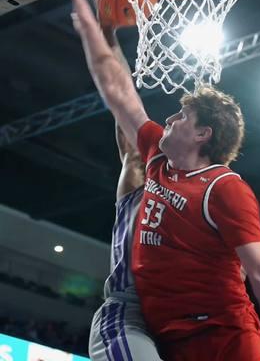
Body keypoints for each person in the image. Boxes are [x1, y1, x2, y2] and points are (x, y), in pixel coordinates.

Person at [71, 0, 260, 361]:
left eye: (180, 116)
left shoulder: (221, 188)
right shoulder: (149, 162)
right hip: (137, 311)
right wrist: (103, 33)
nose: (169, 119)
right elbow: (120, 94)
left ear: (202, 134)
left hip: (218, 325)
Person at [89, 121, 163, 361]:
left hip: (175, 318)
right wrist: (125, 90)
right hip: (129, 308)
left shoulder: (203, 198)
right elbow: (132, 153)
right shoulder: (137, 188)